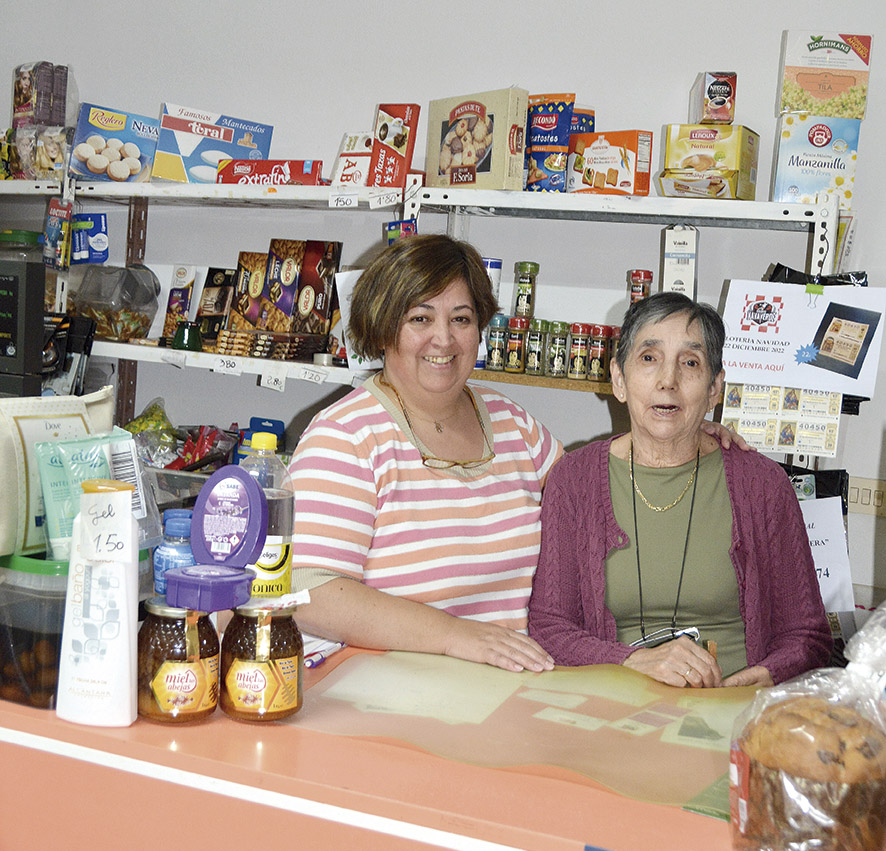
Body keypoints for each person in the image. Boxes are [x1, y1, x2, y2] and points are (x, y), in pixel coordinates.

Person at [288, 237, 753, 674]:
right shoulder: (345, 437)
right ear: (384, 326)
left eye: (462, 319)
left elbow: (593, 493)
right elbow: (308, 590)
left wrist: (679, 431)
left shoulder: (510, 422)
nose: (444, 340)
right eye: (420, 318)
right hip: (383, 700)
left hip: (513, 691)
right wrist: (456, 636)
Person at [528, 292, 832, 688]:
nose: (668, 382)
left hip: (729, 706)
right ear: (618, 379)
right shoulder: (574, 480)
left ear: (714, 388)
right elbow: (549, 626)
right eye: (649, 358)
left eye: (690, 363)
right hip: (614, 706)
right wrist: (633, 662)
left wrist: (768, 674)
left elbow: (808, 635)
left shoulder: (762, 485)